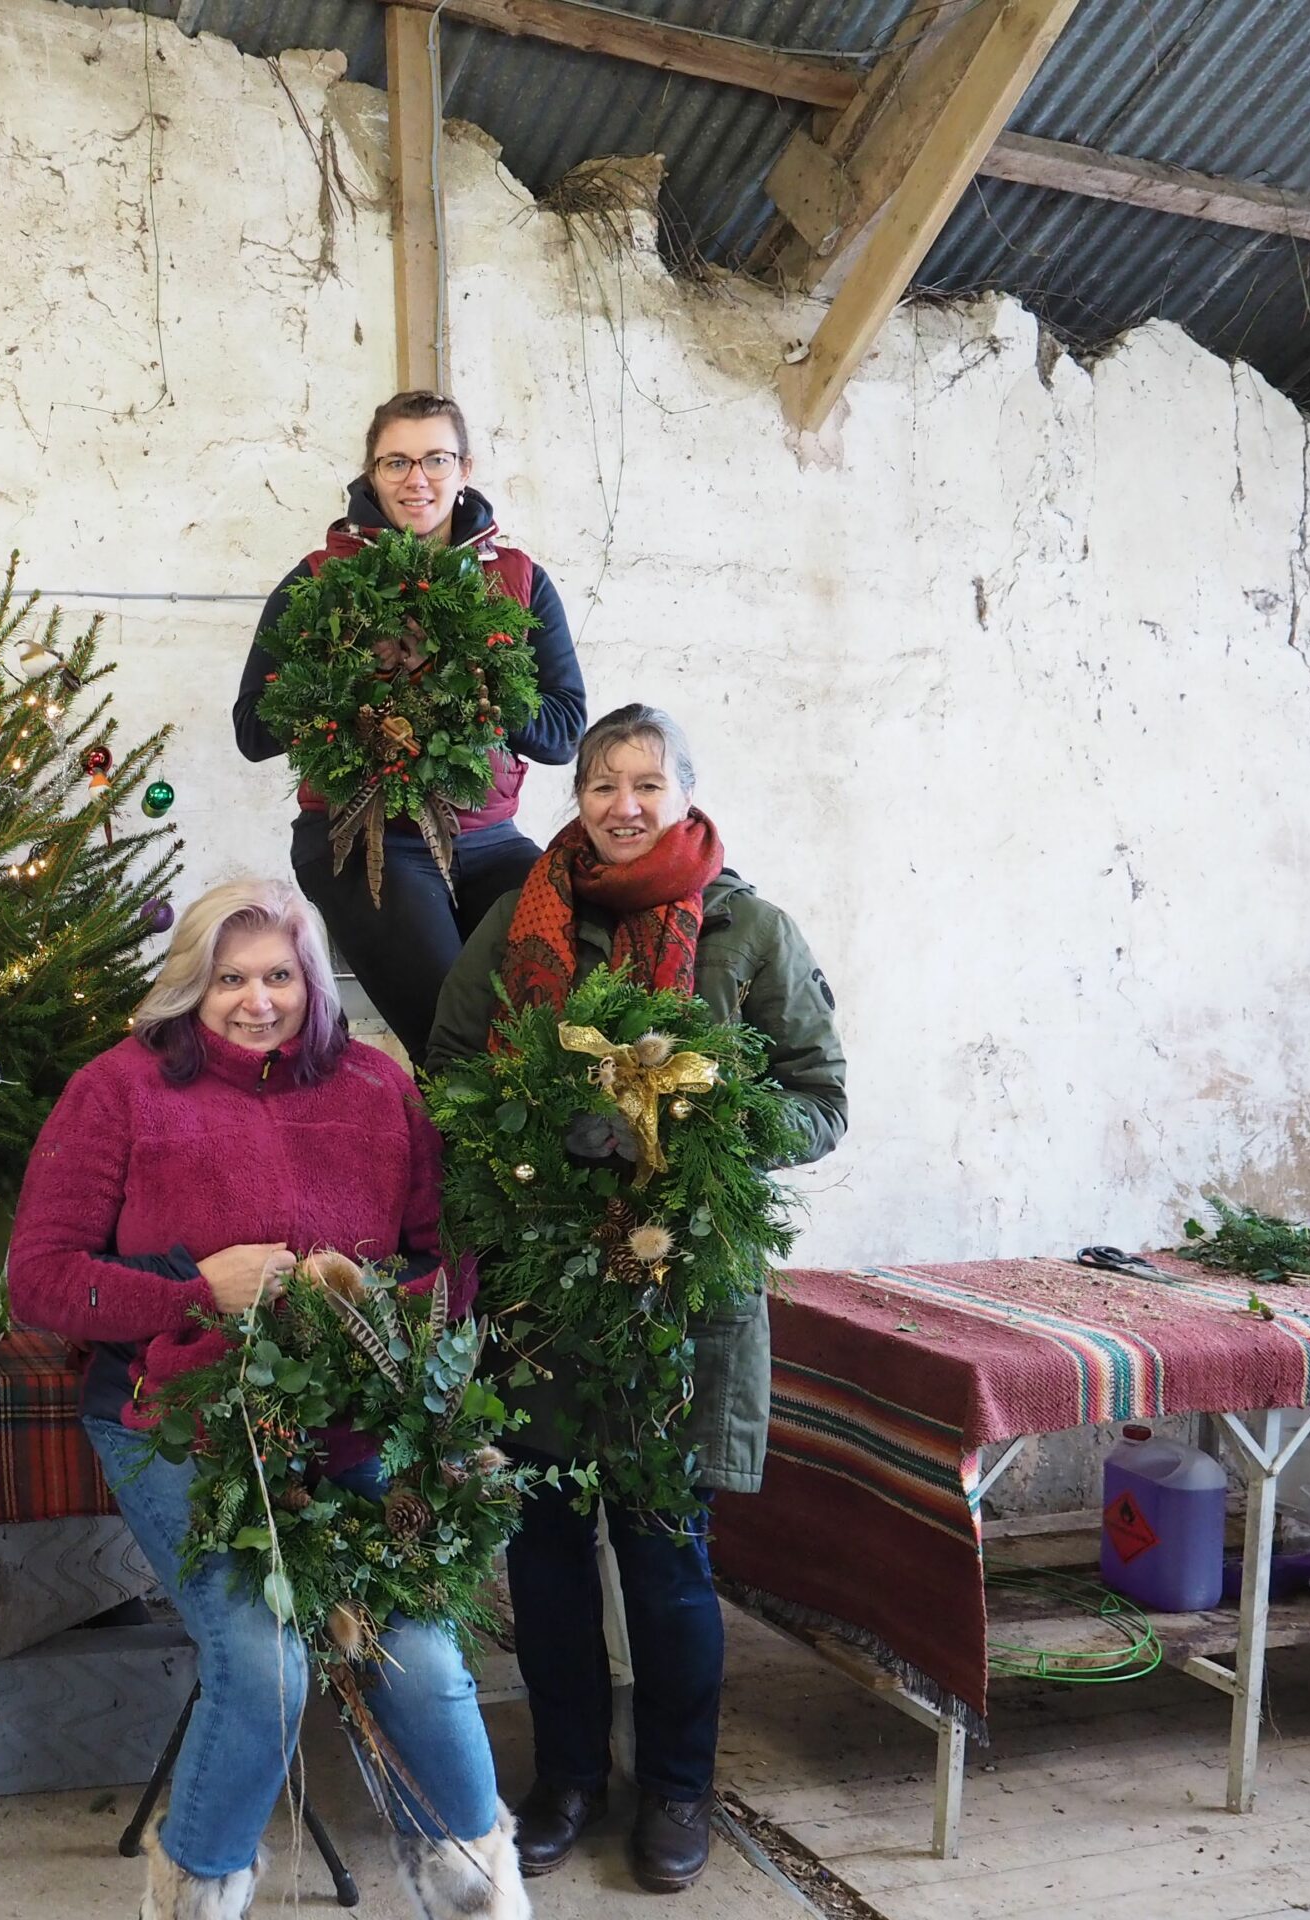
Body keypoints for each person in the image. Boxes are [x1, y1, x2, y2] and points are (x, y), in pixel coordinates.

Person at [11, 879, 528, 1920]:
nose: (258, 1000)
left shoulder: (378, 1089)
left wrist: (375, 1307)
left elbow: (445, 1263)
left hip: (348, 1428)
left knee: (422, 1657)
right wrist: (198, 1290)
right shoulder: (117, 1091)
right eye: (231, 977)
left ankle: (472, 1890)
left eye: (280, 976)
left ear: (311, 979)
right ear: (191, 982)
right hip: (179, 1424)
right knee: (268, 1662)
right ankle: (196, 1896)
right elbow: (42, 1279)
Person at [425, 703, 847, 1894]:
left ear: (685, 796)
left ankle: (674, 1788)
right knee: (549, 1547)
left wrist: (702, 1126)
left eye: (646, 785)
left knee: (666, 1554)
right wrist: (523, 1141)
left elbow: (820, 1096)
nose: (623, 804)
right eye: (603, 783)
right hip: (546, 1288)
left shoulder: (745, 929)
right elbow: (450, 1066)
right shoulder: (522, 921)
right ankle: (564, 1780)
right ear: (578, 799)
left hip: (685, 1290)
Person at [234, 390, 586, 1063]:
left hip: (487, 839)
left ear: (465, 468)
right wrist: (345, 682)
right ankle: (466, 1164)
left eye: (434, 459)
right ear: (370, 473)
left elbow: (564, 729)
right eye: (395, 462)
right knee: (456, 1045)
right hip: (365, 840)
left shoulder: (517, 580)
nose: (415, 479)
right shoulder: (320, 579)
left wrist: (483, 677)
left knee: (564, 992)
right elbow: (253, 730)